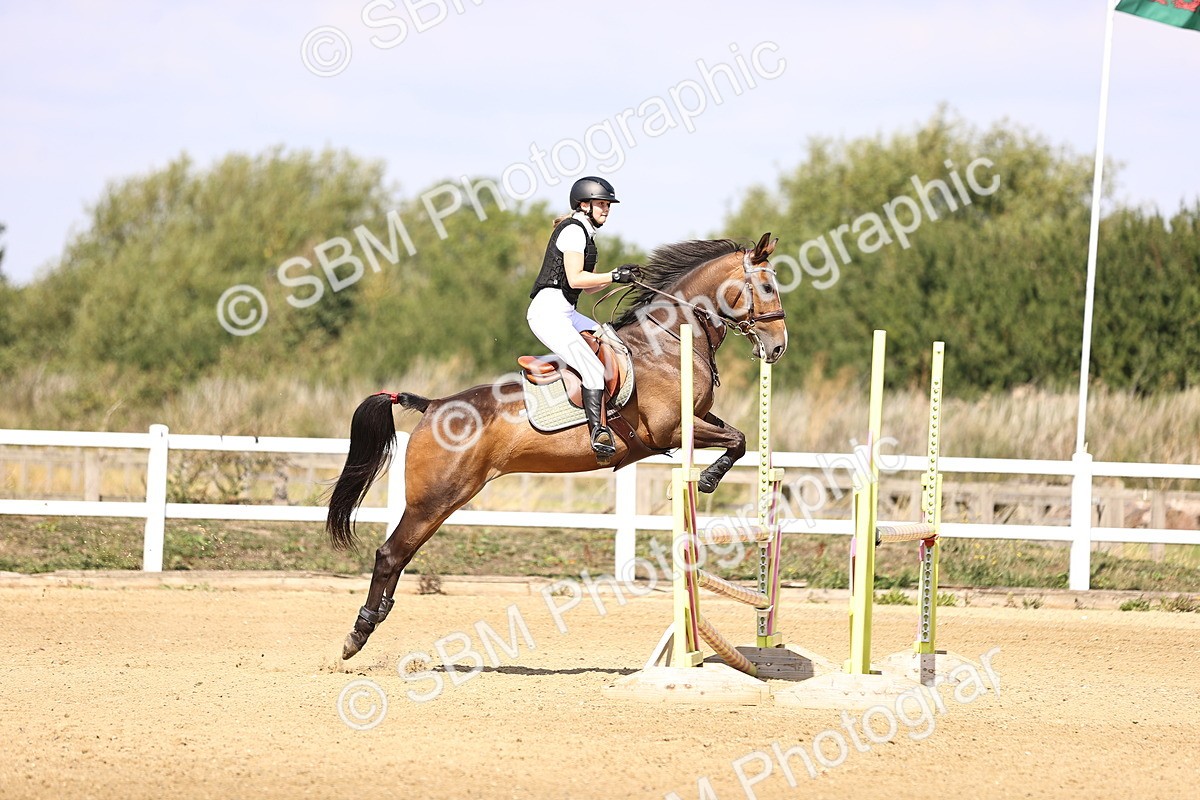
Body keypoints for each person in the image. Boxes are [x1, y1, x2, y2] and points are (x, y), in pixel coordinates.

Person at [527, 176, 638, 462]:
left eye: (608, 205)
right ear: (584, 204)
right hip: (548, 314)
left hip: (564, 311)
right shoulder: (574, 232)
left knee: (611, 338)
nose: (607, 209)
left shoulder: (586, 233)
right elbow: (576, 279)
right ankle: (598, 434)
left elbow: (588, 287)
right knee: (591, 369)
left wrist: (618, 277)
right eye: (602, 204)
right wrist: (613, 275)